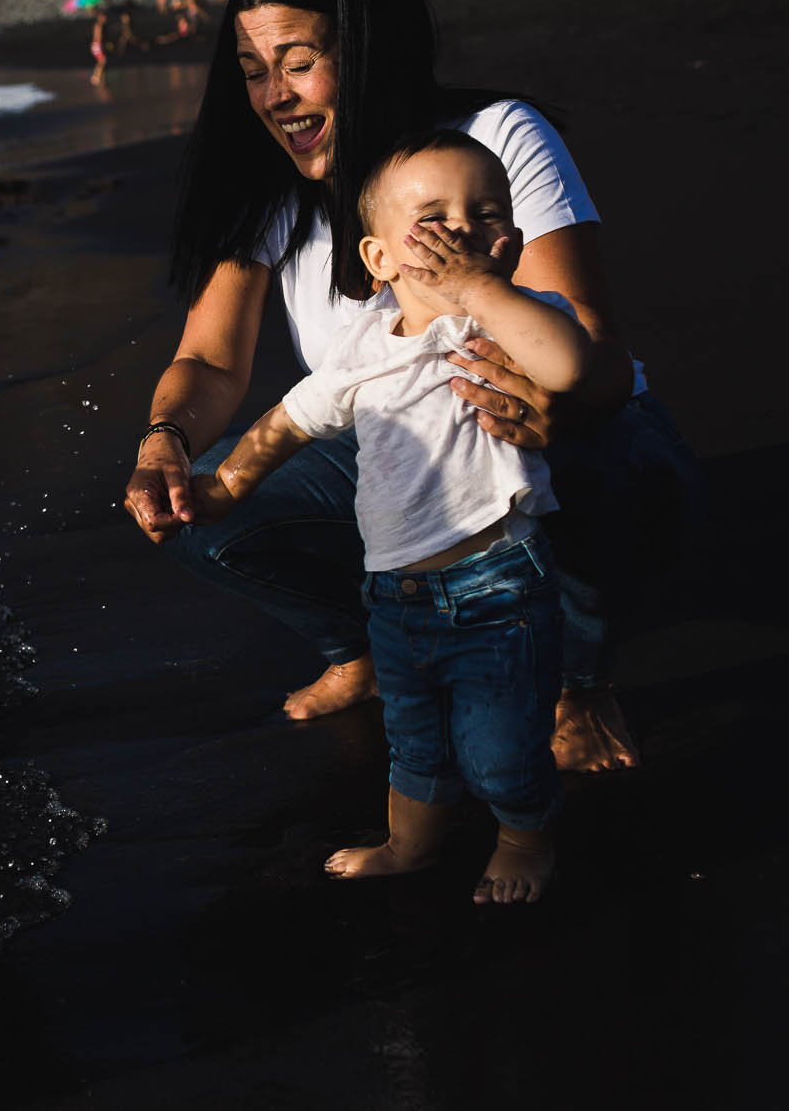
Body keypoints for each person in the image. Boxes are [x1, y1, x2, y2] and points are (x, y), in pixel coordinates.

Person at [121, 0, 701, 774]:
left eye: (298, 61)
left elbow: (599, 349)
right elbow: (209, 361)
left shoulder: (493, 139)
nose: (275, 96)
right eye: (253, 72)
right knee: (209, 512)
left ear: (368, 46)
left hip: (534, 420)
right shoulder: (272, 190)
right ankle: (363, 648)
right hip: (389, 442)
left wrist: (557, 406)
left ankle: (579, 678)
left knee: (607, 459)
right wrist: (163, 438)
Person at [190, 131, 590, 903]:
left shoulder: (512, 319)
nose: (461, 230)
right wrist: (230, 483)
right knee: (415, 743)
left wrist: (481, 289)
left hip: (499, 585)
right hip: (394, 597)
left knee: (501, 749)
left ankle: (524, 836)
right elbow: (293, 417)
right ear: (377, 259)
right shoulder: (364, 343)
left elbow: (569, 364)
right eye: (432, 216)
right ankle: (410, 844)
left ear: (508, 241)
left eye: (484, 214)